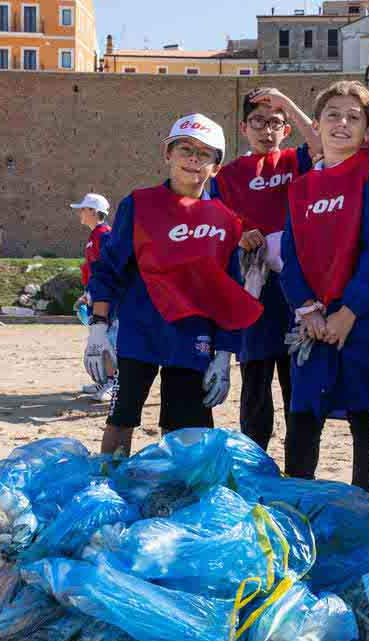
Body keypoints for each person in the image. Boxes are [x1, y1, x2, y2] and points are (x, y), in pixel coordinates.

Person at [86, 113, 262, 457]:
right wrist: (98, 327)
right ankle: (110, 486)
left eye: (205, 153)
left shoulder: (225, 220)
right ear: (168, 154)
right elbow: (108, 269)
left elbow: (229, 291)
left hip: (193, 336)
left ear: (216, 165)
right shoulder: (139, 204)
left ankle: (175, 497)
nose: (193, 159)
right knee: (122, 418)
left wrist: (224, 354)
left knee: (184, 428)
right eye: (185, 149)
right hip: (140, 331)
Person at [279, 81, 369, 495]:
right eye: (333, 115)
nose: (342, 123)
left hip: (363, 322)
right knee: (304, 415)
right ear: (316, 124)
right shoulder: (301, 187)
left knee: (365, 417)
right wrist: (309, 310)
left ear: (366, 131)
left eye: (353, 117)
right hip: (313, 323)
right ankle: (296, 501)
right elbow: (291, 256)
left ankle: (366, 508)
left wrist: (347, 313)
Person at [211, 89, 314, 451]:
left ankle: (299, 469)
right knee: (255, 390)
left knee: (296, 390)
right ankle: (255, 466)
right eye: (258, 121)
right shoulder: (226, 176)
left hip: (295, 293)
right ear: (244, 127)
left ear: (286, 129)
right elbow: (215, 221)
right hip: (253, 294)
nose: (266, 130)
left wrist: (287, 102)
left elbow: (319, 142)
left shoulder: (296, 160)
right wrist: (239, 233)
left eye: (275, 122)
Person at [72, 192, 114, 402]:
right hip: (96, 295)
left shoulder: (104, 234)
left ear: (93, 211)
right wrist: (87, 293)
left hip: (106, 300)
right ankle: (104, 380)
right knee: (100, 341)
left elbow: (106, 271)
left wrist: (97, 296)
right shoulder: (95, 235)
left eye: (83, 208)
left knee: (107, 340)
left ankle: (112, 382)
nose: (80, 212)